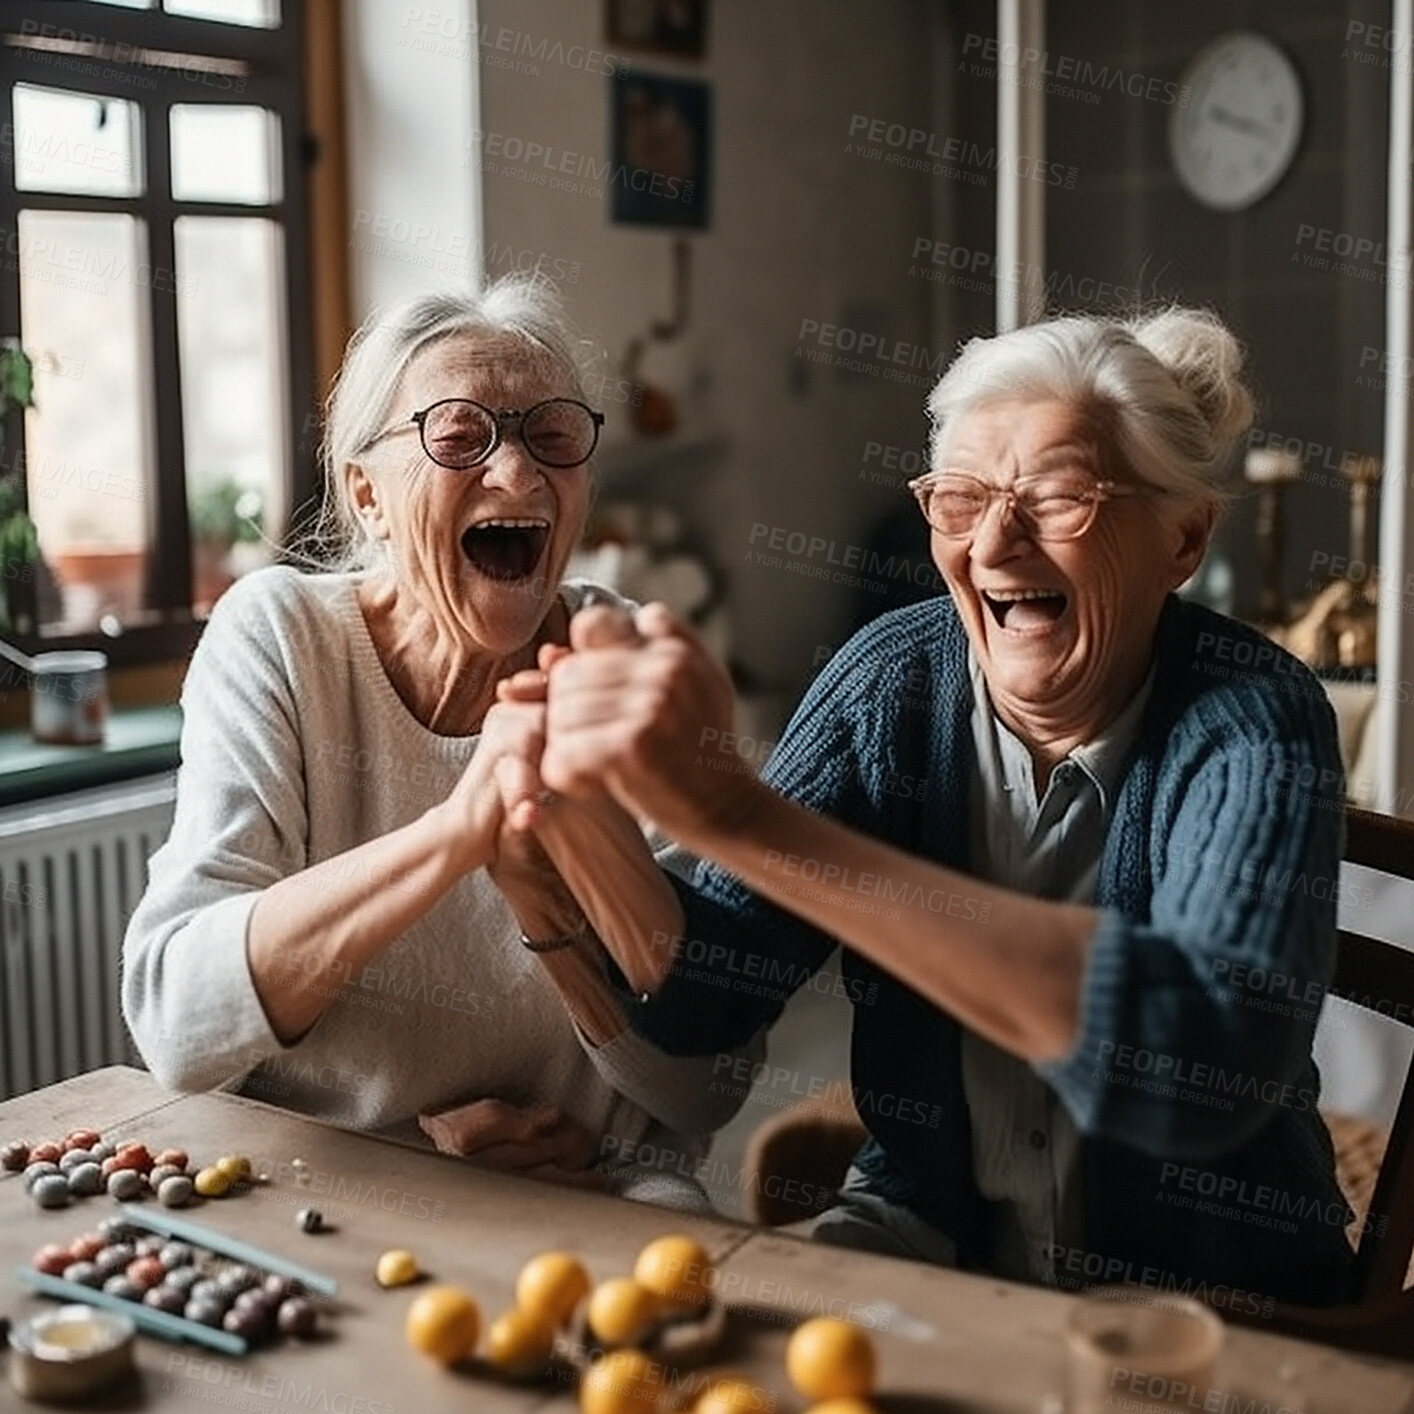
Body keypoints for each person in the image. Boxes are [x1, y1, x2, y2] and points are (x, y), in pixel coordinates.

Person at [502, 307, 1358, 1304]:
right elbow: (707, 996)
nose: (995, 541)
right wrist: (575, 822)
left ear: (1182, 537)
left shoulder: (1255, 715)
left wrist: (735, 816)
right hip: (926, 1233)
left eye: (1060, 496)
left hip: (1213, 1290)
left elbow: (1196, 1061)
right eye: (960, 498)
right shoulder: (890, 683)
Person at [121, 279, 753, 1203]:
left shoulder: (621, 667)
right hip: (329, 1181)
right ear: (368, 495)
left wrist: (549, 910)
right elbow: (178, 1023)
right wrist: (457, 832)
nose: (520, 475)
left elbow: (706, 1094)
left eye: (553, 436)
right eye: (460, 438)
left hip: (589, 1184)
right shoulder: (284, 639)